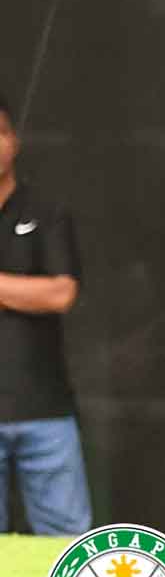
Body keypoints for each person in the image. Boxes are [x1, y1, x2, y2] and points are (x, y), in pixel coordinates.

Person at [0, 91, 94, 535]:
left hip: (45, 411)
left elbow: (61, 293)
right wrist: (20, 290)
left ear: (14, 141)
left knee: (66, 544)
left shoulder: (46, 212)